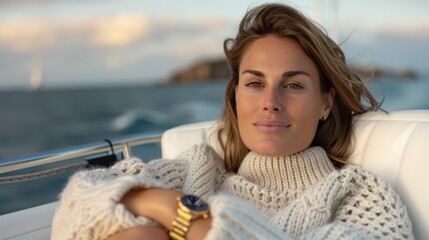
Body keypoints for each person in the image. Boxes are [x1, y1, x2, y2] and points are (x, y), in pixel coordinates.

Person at [51, 3, 413, 240]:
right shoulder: (199, 170)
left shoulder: (356, 195)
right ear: (236, 95)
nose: (270, 103)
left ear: (325, 102)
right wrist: (167, 206)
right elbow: (76, 203)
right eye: (255, 83)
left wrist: (181, 220)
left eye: (293, 85)